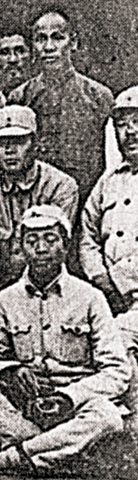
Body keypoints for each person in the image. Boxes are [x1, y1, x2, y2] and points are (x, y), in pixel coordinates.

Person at [0, 205, 130, 475]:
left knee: (108, 417)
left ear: (65, 246)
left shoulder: (90, 298)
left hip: (74, 407)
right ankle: (50, 447)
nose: (41, 249)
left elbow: (117, 371)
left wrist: (69, 397)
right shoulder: (6, 300)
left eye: (50, 240)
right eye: (31, 241)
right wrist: (9, 371)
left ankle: (10, 458)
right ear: (21, 249)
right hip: (23, 409)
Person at [0, 105, 78, 319]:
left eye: (19, 142)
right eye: (1, 143)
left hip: (49, 290)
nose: (9, 150)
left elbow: (49, 255)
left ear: (35, 144)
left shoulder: (60, 185)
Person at [5, 9, 114, 201]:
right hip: (34, 201)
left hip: (85, 199)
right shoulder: (20, 97)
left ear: (73, 42)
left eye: (57, 38)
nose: (49, 47)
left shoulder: (98, 96)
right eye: (41, 39)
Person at [79, 85, 138, 317]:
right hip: (108, 299)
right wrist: (99, 277)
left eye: (137, 121)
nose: (130, 131)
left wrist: (117, 280)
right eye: (122, 124)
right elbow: (87, 235)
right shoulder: (109, 181)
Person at [0, 30, 31, 109]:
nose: (12, 59)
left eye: (20, 51)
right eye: (4, 53)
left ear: (32, 57)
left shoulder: (43, 101)